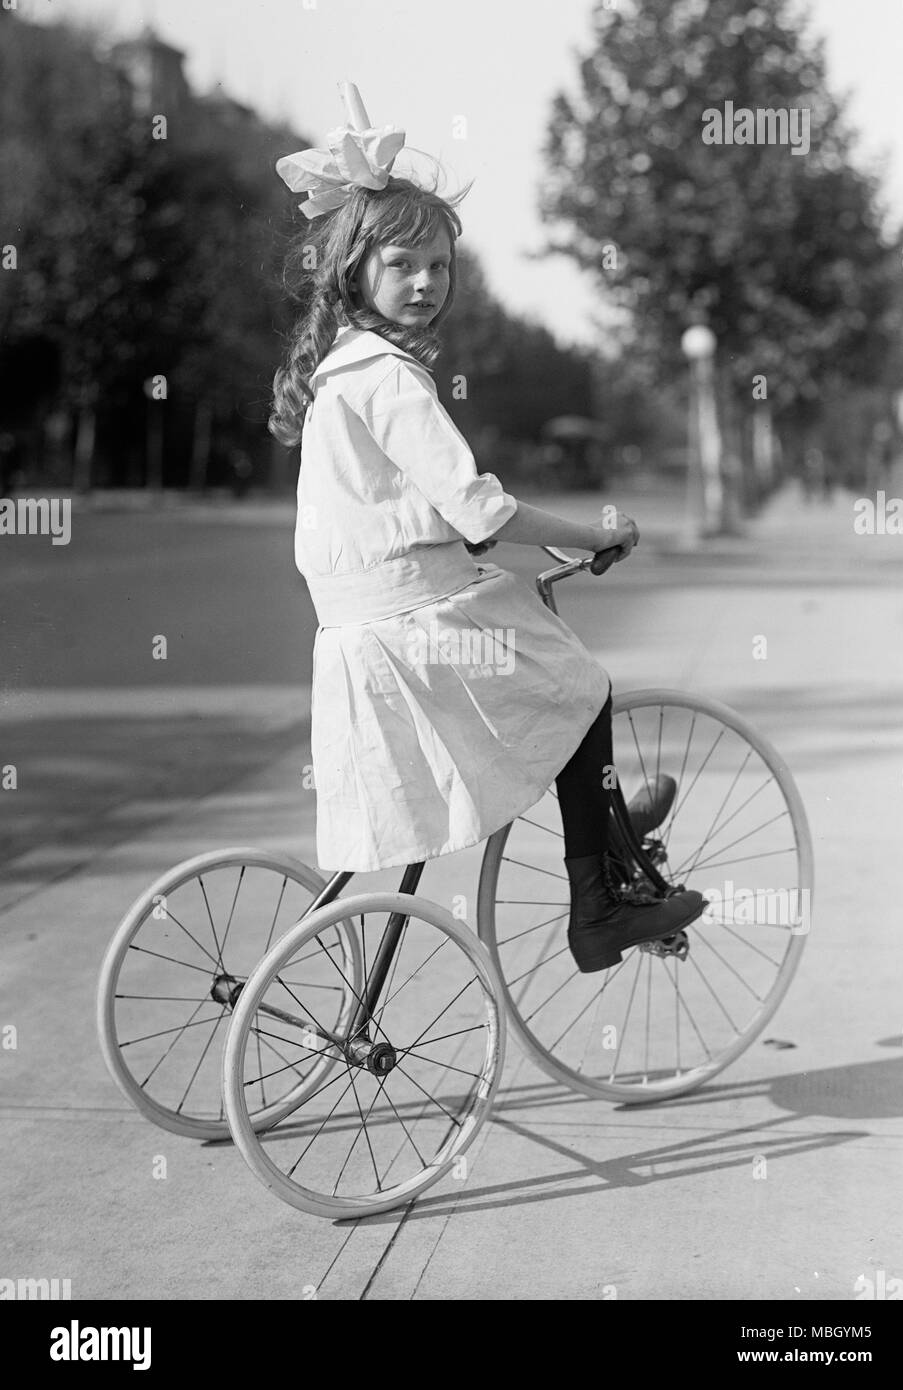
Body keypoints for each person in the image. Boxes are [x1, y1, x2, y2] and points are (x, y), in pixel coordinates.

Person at [269, 109, 703, 973]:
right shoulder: (390, 381)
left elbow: (416, 516)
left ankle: (609, 827)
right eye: (402, 266)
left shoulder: (339, 374)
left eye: (439, 266)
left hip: (367, 632)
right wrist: (592, 533)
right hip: (413, 629)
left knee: (558, 687)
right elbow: (479, 511)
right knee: (581, 684)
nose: (426, 283)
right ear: (356, 273)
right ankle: (601, 901)